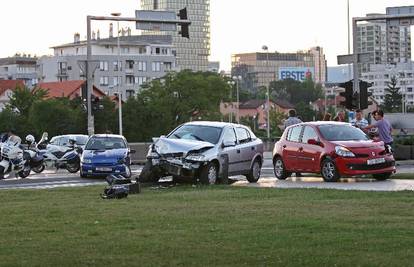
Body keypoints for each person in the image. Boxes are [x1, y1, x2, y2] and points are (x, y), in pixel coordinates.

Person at [283, 109, 303, 177]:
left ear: (289, 114)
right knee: (298, 156)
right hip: (297, 140)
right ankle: (298, 172)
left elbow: (284, 130)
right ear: (295, 114)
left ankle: (289, 170)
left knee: (290, 156)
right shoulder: (299, 121)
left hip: (289, 140)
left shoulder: (286, 121)